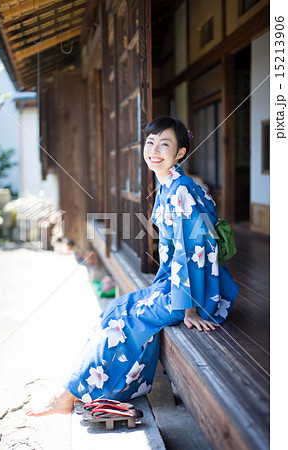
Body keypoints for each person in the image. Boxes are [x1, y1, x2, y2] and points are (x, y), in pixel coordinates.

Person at [23, 116, 239, 417]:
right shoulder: (168, 185)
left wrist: (190, 309)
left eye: (165, 144)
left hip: (197, 290)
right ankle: (95, 390)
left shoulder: (182, 190)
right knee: (115, 309)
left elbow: (195, 250)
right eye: (150, 142)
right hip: (179, 284)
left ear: (180, 153)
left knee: (123, 321)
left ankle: (68, 394)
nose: (154, 149)